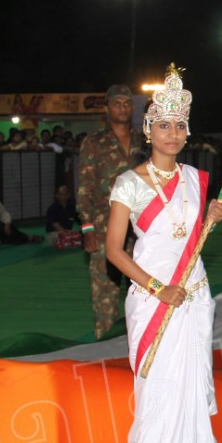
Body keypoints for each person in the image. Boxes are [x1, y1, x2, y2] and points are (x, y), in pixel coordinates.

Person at [105, 66, 222, 443]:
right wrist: (158, 289)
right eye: (163, 125)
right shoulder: (129, 183)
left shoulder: (197, 179)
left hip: (193, 295)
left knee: (190, 391)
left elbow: (186, 242)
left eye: (179, 126)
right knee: (159, 391)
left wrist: (209, 220)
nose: (172, 134)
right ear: (147, 129)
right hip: (154, 298)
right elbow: (114, 251)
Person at [77, 84, 146, 339]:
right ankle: (104, 349)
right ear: (107, 109)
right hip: (105, 226)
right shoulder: (94, 143)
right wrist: (87, 228)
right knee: (105, 292)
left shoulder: (144, 140)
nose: (122, 108)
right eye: (117, 103)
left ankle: (140, 343)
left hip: (141, 228)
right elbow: (85, 188)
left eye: (127, 103)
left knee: (143, 289)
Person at [45, 184, 82, 249]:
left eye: (66, 194)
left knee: (83, 234)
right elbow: (55, 225)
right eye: (61, 194)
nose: (64, 196)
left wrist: (86, 232)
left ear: (69, 195)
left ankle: (70, 241)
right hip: (55, 234)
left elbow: (80, 221)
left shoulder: (72, 207)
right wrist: (66, 232)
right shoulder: (52, 208)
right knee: (62, 237)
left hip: (69, 233)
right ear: (57, 195)